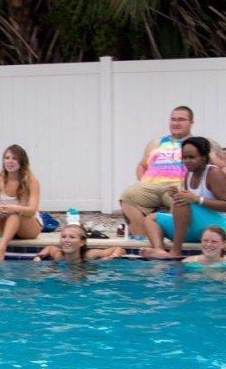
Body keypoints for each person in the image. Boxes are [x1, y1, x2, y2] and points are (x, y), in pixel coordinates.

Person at [141, 137, 226, 258]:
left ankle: (176, 251)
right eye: (184, 158)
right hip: (195, 229)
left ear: (204, 157)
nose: (187, 161)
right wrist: (175, 195)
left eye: (192, 157)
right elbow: (183, 209)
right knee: (151, 219)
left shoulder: (213, 173)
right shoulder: (188, 174)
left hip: (218, 227)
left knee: (183, 200)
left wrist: (197, 199)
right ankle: (159, 251)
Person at [120, 106, 195, 237]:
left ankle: (173, 239)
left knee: (179, 198)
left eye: (181, 120)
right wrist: (144, 183)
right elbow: (142, 166)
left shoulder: (196, 143)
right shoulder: (156, 143)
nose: (176, 123)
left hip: (177, 185)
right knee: (127, 195)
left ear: (191, 123)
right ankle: (143, 239)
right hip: (152, 186)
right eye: (173, 119)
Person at [0, 144, 42, 260]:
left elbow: (32, 210)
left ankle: (2, 247)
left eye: (14, 158)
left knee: (14, 214)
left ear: (22, 161)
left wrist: (14, 208)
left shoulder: (32, 182)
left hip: (29, 226)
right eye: (7, 158)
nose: (10, 161)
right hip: (8, 227)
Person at [32, 224, 126, 264]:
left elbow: (119, 249)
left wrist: (112, 256)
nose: (66, 240)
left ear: (82, 242)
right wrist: (39, 256)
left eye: (72, 237)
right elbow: (49, 248)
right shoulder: (59, 256)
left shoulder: (89, 255)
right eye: (63, 236)